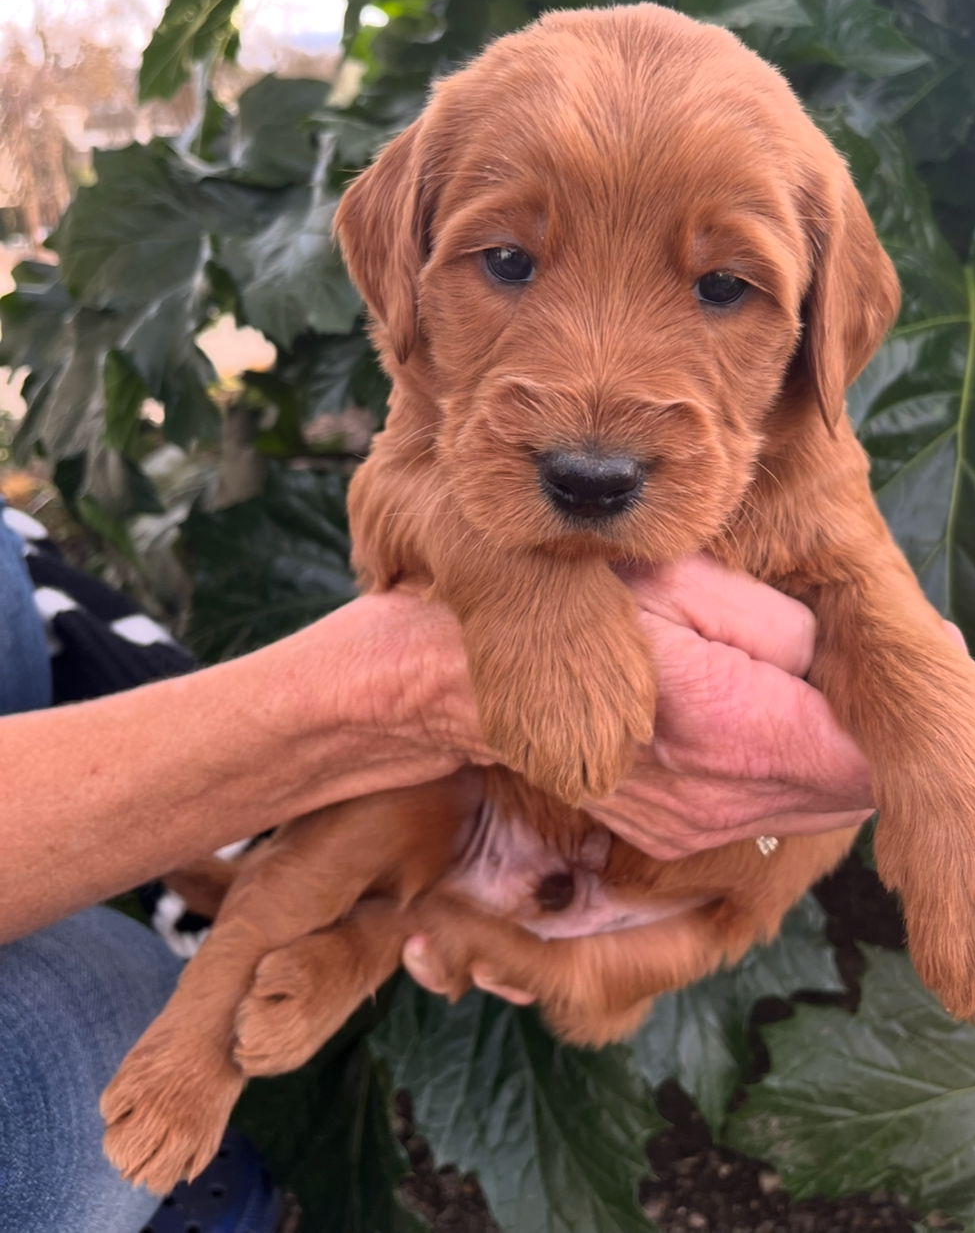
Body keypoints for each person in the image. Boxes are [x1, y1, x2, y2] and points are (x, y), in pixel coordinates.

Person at [0, 501, 874, 1233]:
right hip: (478, 802)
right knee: (72, 1099)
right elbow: (404, 508)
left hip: (632, 908)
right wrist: (412, 691)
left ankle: (375, 936)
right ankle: (243, 976)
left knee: (592, 957)